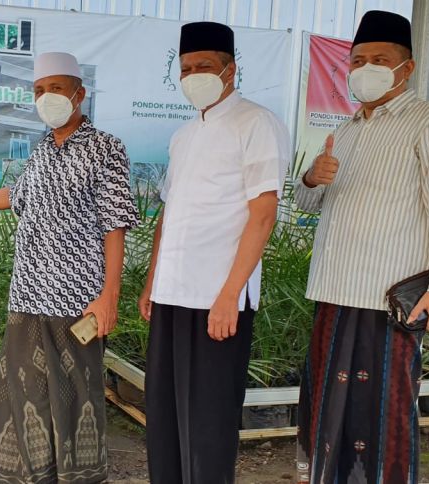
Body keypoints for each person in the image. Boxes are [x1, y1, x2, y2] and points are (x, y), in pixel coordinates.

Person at [0, 52, 139, 484]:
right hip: (28, 296)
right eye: (39, 90)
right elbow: (16, 197)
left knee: (76, 396)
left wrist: (109, 296)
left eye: (56, 89)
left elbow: (115, 224)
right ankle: (32, 476)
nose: (47, 97)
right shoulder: (42, 149)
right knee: (25, 394)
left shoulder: (106, 148)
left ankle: (76, 476)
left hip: (77, 300)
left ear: (79, 94)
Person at [294, 10, 429, 484]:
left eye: (379, 59)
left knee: (381, 414)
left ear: (406, 68)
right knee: (327, 410)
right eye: (358, 60)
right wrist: (311, 177)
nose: (365, 68)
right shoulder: (346, 130)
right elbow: (307, 203)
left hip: (388, 301)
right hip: (334, 292)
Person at [137, 21, 291, 484]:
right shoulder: (184, 135)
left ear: (230, 70)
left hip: (216, 299)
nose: (193, 75)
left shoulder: (256, 123)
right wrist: (151, 283)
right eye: (186, 68)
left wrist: (229, 295)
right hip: (171, 294)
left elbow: (263, 214)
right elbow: (169, 215)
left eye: (203, 66)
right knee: (164, 416)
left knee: (208, 422)